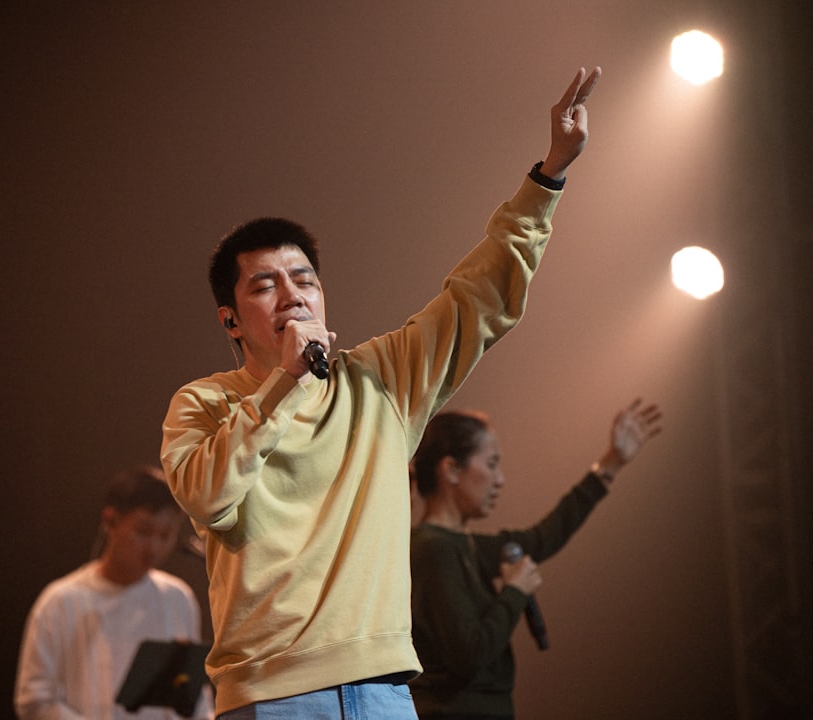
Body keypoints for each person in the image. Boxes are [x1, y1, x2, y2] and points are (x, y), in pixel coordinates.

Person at [159, 66, 602, 719]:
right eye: (265, 285)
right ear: (230, 318)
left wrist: (549, 177)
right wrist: (286, 379)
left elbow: (478, 300)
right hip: (271, 696)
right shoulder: (204, 404)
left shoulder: (380, 380)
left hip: (386, 691)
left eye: (304, 279)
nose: (293, 294)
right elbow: (207, 497)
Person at [408, 399, 663, 719]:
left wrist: (610, 464)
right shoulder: (433, 551)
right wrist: (514, 593)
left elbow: (544, 538)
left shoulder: (465, 545)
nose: (500, 479)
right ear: (452, 470)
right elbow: (469, 654)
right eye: (491, 464)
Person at [14, 465, 214, 720]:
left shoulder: (177, 597)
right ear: (111, 520)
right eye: (143, 532)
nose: (154, 546)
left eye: (165, 535)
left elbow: (193, 697)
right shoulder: (61, 601)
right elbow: (34, 700)